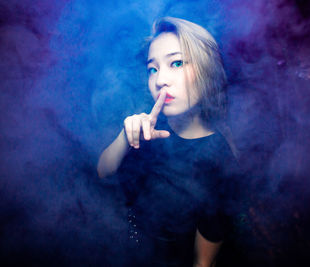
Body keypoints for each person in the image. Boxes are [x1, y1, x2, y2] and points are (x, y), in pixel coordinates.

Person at [97, 17, 240, 266]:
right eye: (152, 68)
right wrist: (125, 136)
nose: (160, 79)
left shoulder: (218, 157)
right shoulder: (147, 126)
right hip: (124, 247)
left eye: (176, 63)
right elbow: (102, 171)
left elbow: (204, 261)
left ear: (207, 70)